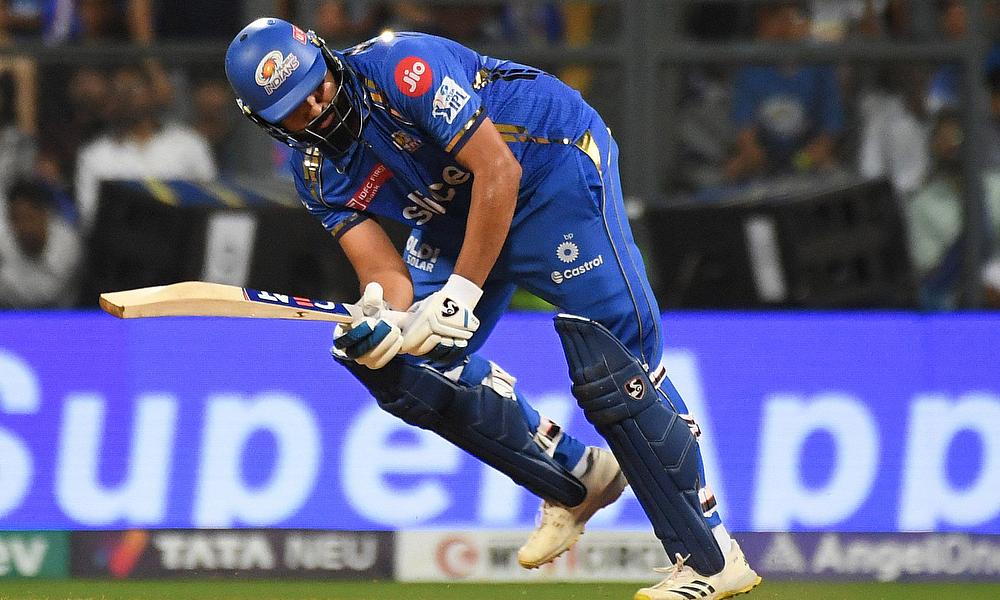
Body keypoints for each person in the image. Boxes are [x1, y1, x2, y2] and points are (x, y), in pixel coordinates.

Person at [225, 18, 761, 599]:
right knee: (397, 365)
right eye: (295, 110)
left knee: (614, 368)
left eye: (317, 86)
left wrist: (462, 292)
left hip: (548, 171)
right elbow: (384, 276)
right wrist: (379, 319)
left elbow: (498, 169)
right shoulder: (315, 175)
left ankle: (711, 559)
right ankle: (578, 478)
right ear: (267, 123)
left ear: (326, 58)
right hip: (453, 217)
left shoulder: (403, 68)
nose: (318, 108)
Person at [0, 178, 82, 308]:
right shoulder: (6, 237)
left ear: (44, 215)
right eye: (15, 219)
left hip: (57, 316)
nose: (23, 227)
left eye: (29, 217)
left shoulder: (67, 244)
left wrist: (5, 280)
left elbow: (46, 294)